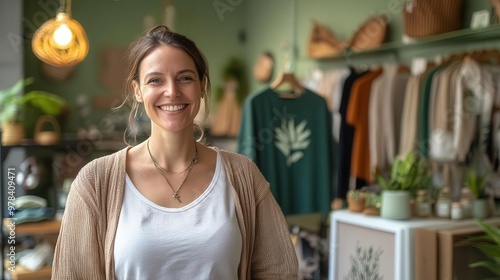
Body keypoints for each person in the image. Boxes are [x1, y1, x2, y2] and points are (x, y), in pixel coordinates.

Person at [51, 25, 298, 279]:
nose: (172, 91)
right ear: (137, 90)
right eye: (155, 80)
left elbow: (279, 271)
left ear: (202, 86)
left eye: (185, 78)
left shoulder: (243, 175)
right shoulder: (95, 182)